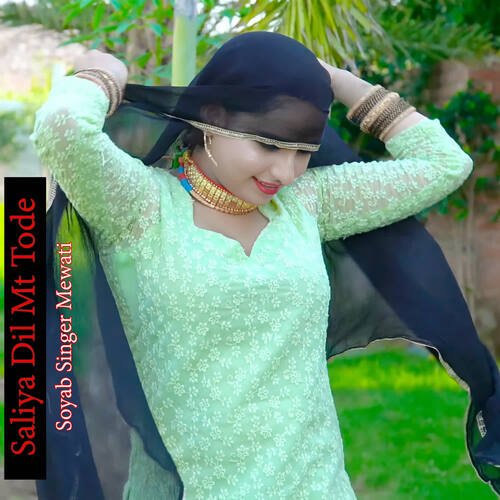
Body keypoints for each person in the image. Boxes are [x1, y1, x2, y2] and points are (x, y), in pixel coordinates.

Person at [32, 32, 500, 499]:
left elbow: (444, 164)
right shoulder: (139, 207)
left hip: (317, 488)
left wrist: (337, 81)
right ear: (213, 116)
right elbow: (61, 128)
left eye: (303, 151)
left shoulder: (305, 205)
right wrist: (101, 74)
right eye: (268, 146)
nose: (286, 172)